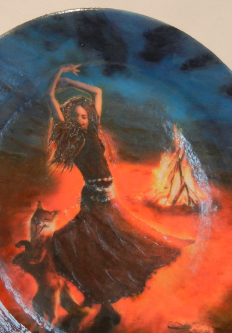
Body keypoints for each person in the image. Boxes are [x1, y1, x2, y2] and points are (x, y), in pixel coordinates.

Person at [43, 64, 186, 313]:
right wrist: (59, 72)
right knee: (105, 239)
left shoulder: (93, 130)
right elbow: (48, 96)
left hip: (106, 193)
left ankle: (97, 285)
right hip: (95, 196)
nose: (81, 120)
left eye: (84, 116)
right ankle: (95, 286)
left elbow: (97, 93)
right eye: (76, 116)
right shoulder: (67, 135)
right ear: (68, 118)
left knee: (113, 239)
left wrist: (71, 82)